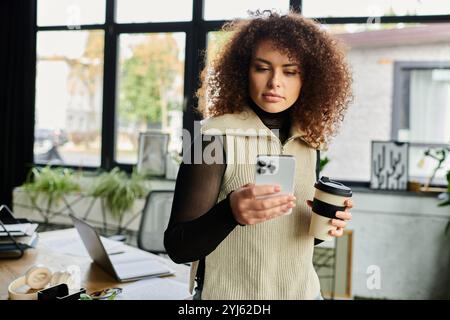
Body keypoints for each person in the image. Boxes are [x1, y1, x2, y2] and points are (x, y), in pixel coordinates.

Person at [164, 10, 354, 300]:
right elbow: (178, 248)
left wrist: (326, 224)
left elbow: (288, 240)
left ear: (309, 79)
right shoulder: (209, 138)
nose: (275, 82)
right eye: (262, 68)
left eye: (290, 71)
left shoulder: (308, 142)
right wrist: (230, 212)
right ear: (243, 71)